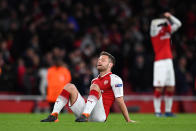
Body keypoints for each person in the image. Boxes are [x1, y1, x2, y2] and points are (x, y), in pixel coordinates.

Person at [40, 51, 135, 122]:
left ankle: (85, 115)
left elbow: (120, 101)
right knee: (69, 86)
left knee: (95, 86)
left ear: (110, 65)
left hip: (100, 116)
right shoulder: (94, 80)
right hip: (88, 112)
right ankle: (54, 115)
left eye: (103, 60)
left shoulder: (115, 79)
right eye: (99, 59)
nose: (99, 61)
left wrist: (128, 120)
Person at [150, 12, 182, 117]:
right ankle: (157, 111)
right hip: (160, 62)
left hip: (169, 61)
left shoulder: (168, 31)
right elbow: (154, 23)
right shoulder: (154, 32)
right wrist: (165, 20)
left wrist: (170, 16)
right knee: (159, 87)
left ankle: (168, 111)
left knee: (171, 87)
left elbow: (179, 24)